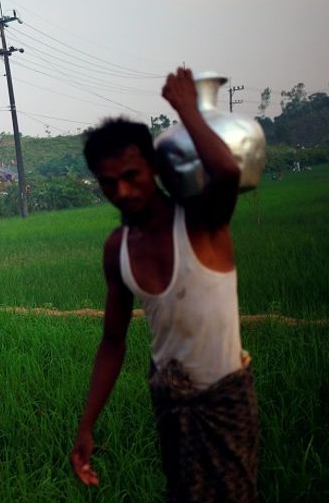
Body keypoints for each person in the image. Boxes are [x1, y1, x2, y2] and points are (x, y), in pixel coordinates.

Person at [70, 68, 259, 502]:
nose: (122, 190)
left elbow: (226, 174)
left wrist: (188, 109)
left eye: (132, 175)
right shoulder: (117, 248)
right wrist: (86, 426)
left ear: (153, 166)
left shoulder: (199, 220)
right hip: (171, 405)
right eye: (108, 182)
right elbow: (113, 341)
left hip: (225, 404)